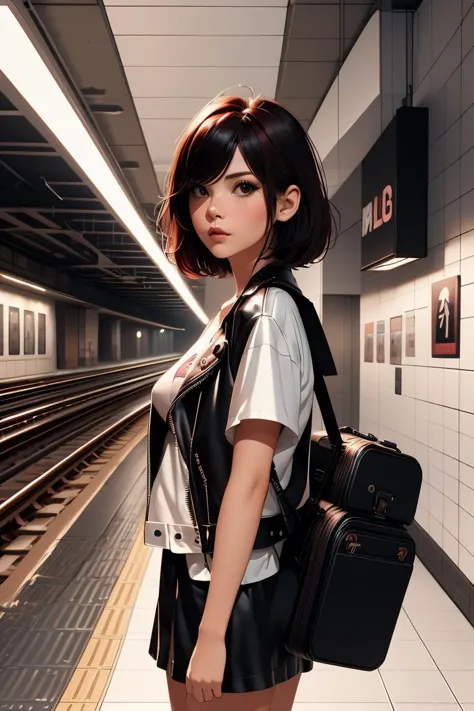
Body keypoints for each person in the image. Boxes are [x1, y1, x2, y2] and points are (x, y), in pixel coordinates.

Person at [145, 93, 335, 711]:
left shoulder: (272, 313)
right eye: (201, 191)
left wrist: (212, 634)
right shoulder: (237, 308)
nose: (213, 209)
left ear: (286, 201)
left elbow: (250, 483)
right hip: (201, 571)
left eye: (241, 187)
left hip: (240, 586)